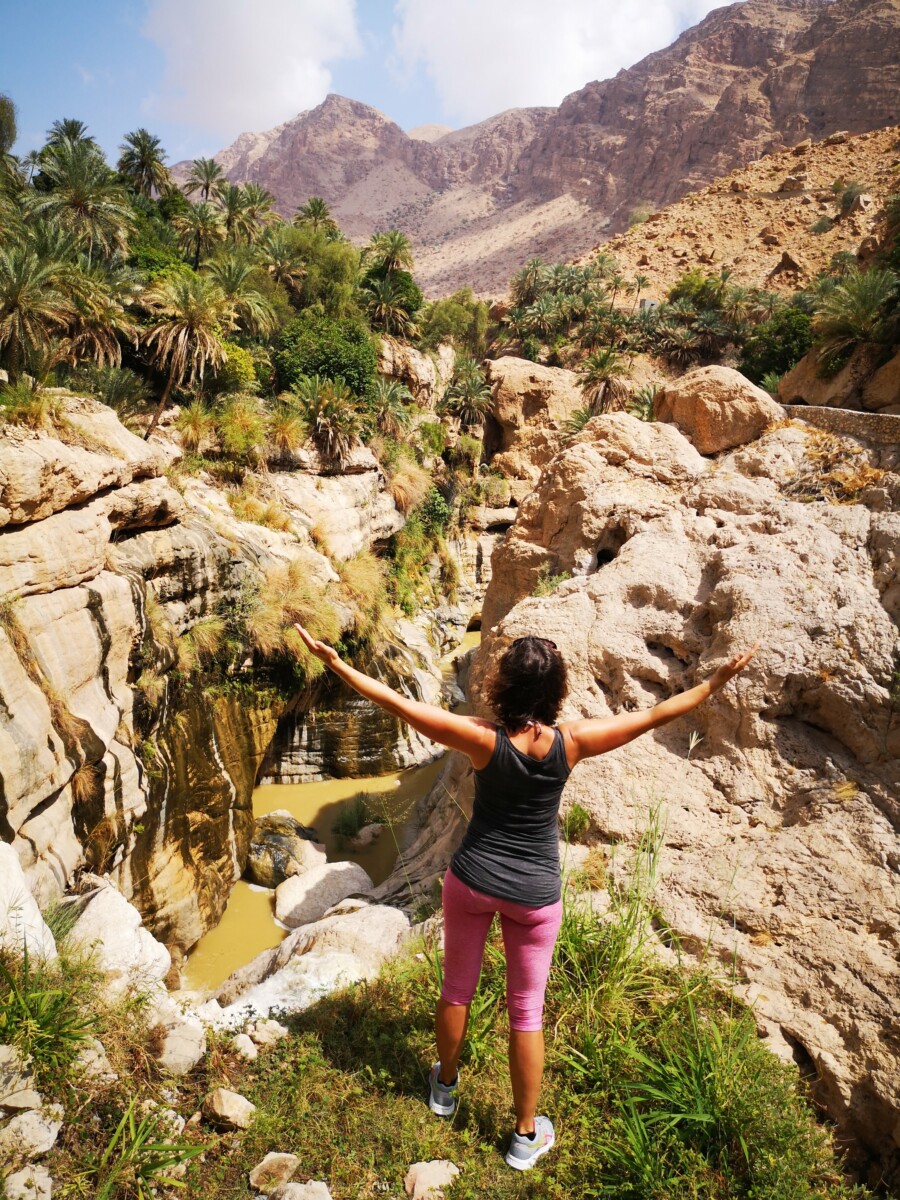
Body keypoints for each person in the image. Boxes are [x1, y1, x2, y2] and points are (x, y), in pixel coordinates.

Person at [293, 622, 757, 1171]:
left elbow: (400, 705)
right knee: (526, 1012)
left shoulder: (482, 738)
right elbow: (658, 715)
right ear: (556, 688)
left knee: (456, 990)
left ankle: (444, 1088)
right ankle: (523, 1135)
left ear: (504, 683)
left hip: (471, 881)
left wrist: (336, 663)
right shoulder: (573, 742)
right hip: (534, 895)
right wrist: (716, 681)